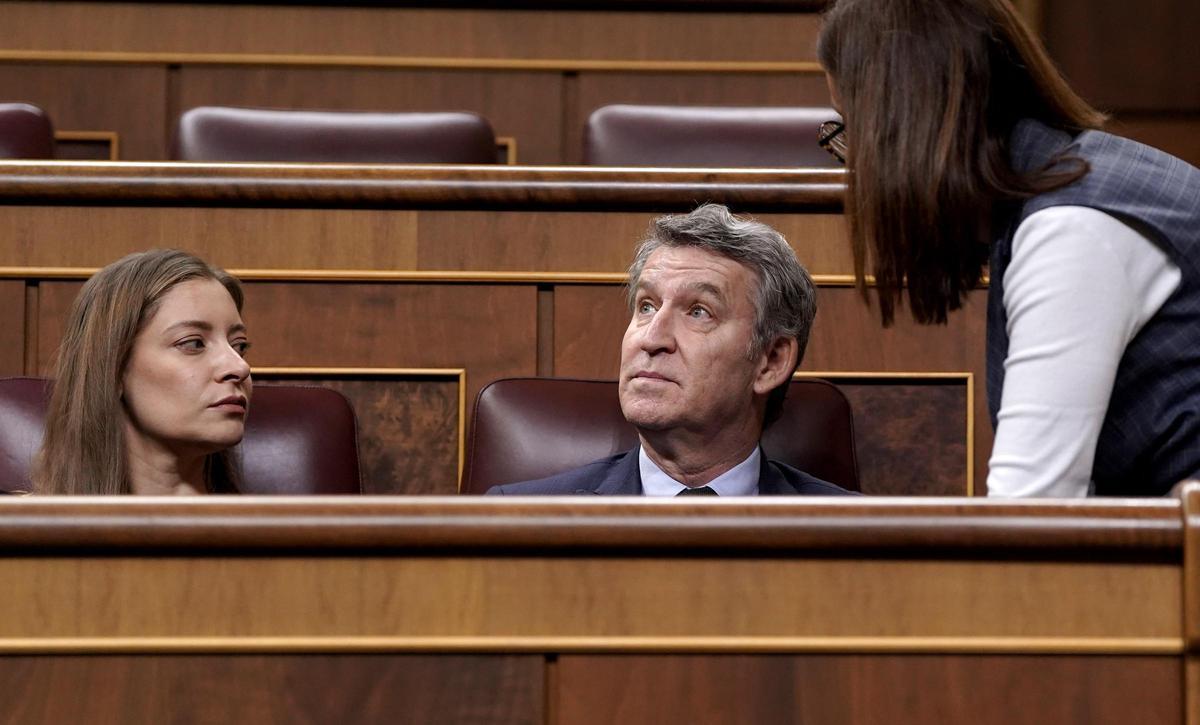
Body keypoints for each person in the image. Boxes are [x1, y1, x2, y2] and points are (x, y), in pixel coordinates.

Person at [816, 0, 1200, 497]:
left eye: (851, 131)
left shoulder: (1073, 232)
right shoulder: (1084, 178)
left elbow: (1030, 512)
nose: (853, 169)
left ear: (902, 131)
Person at [488, 204, 852, 496]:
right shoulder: (520, 519)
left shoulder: (854, 538)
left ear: (770, 361)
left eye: (698, 312)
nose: (651, 338)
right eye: (646, 306)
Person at [34, 249, 252, 495]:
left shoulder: (281, 530)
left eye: (239, 346)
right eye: (193, 343)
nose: (239, 367)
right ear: (114, 370)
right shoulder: (18, 527)